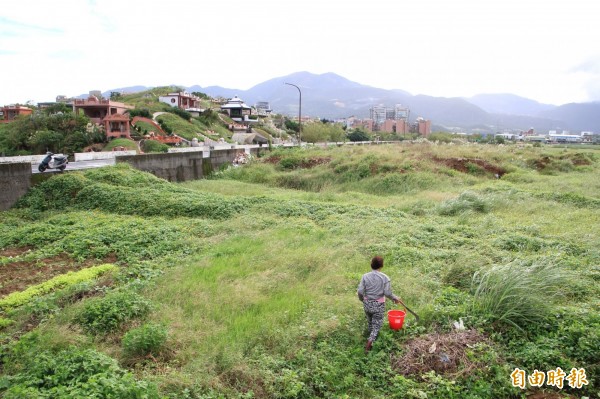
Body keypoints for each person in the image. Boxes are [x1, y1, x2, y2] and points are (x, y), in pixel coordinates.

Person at [357, 256, 401, 353]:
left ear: (371, 264)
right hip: (378, 305)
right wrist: (395, 298)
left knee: (370, 321)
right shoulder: (385, 278)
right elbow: (387, 293)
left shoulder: (365, 276)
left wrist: (362, 299)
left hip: (367, 304)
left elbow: (360, 291)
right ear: (381, 265)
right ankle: (369, 343)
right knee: (377, 325)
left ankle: (370, 335)